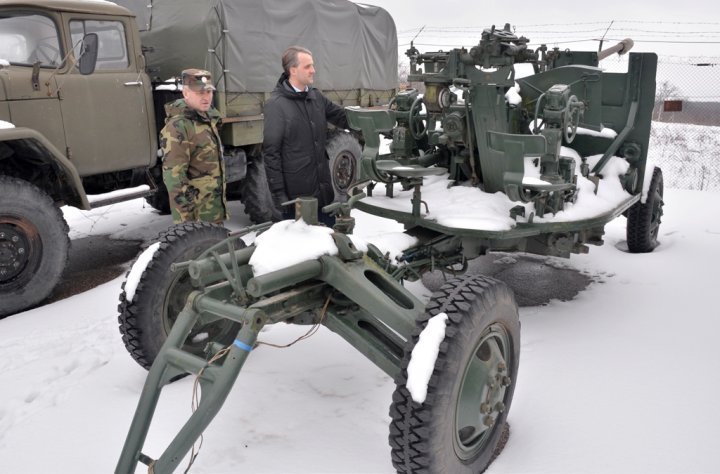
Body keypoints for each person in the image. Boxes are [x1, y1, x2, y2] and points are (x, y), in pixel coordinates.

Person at [262, 45, 349, 226]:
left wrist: (376, 119)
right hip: (297, 200)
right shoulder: (276, 105)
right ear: (293, 70)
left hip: (323, 194)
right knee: (301, 251)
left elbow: (344, 118)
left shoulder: (316, 97)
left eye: (313, 65)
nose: (313, 70)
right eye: (307, 66)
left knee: (328, 244)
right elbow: (271, 153)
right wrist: (279, 194)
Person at [160, 68, 227, 224]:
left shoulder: (207, 119)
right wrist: (186, 225)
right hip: (196, 219)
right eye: (200, 93)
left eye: (209, 92)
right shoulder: (178, 127)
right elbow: (174, 178)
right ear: (185, 93)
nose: (206, 98)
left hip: (212, 212)